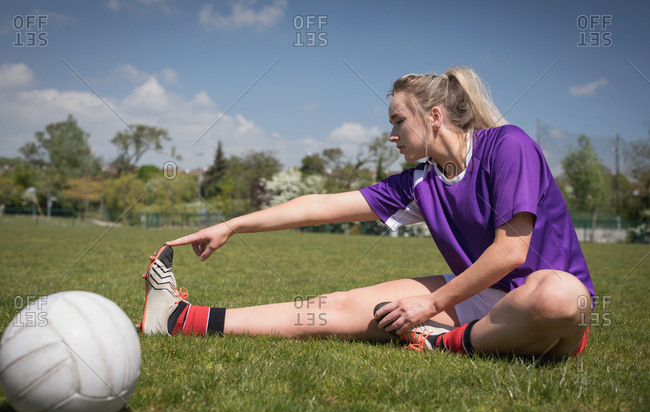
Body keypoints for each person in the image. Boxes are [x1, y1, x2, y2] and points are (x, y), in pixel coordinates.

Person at [138, 66, 594, 357]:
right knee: (335, 308)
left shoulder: (507, 145)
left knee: (557, 294)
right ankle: (182, 319)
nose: (391, 134)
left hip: (549, 311)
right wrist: (233, 224)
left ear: (434, 116)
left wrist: (432, 305)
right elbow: (319, 206)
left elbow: (512, 252)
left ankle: (444, 343)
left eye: (399, 120)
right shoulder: (421, 180)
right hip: (480, 300)